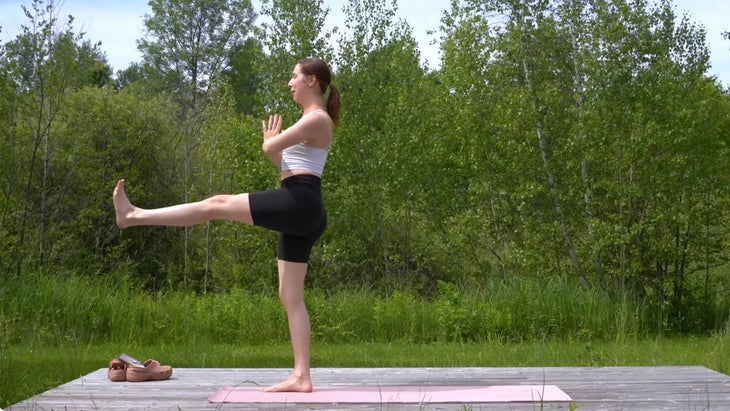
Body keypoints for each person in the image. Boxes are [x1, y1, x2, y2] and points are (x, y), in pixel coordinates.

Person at [113, 57, 340, 393]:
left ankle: (133, 216)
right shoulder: (311, 120)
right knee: (290, 296)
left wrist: (270, 141)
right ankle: (302, 376)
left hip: (300, 202)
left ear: (312, 80)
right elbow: (286, 165)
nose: (289, 82)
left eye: (294, 76)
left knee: (216, 204)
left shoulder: (317, 118)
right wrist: (272, 148)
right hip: (302, 205)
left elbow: (271, 146)